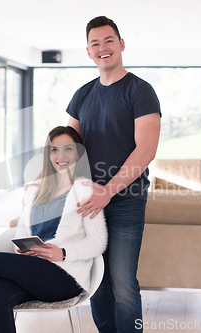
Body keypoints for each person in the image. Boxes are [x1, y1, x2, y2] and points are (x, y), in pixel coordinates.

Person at [66, 16, 161, 333]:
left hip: (126, 200)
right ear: (89, 52)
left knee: (122, 284)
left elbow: (145, 150)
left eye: (108, 41)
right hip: (89, 202)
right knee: (98, 280)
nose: (102, 48)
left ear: (121, 45)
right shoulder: (82, 95)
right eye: (95, 43)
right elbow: (66, 149)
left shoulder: (140, 91)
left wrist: (107, 190)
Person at [0, 126, 108, 333]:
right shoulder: (35, 190)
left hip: (66, 276)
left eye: (68, 149)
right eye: (54, 150)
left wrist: (62, 252)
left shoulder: (85, 190)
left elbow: (98, 240)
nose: (60, 156)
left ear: (78, 153)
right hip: (34, 271)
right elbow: (22, 231)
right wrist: (23, 248)